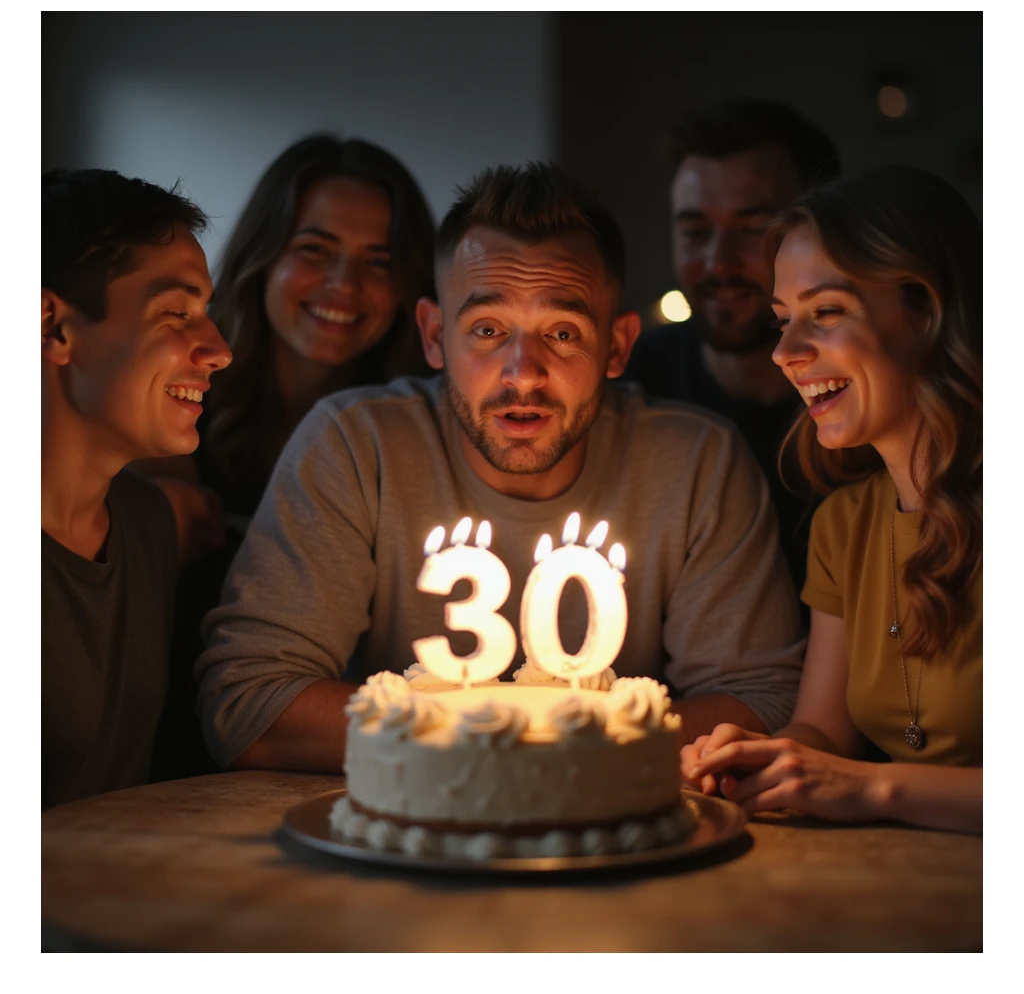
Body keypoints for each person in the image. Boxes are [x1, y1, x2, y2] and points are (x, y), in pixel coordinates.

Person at [195, 162, 805, 774]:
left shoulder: (697, 461)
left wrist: (500, 748)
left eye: (563, 333)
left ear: (617, 347)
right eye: (487, 329)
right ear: (434, 336)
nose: (523, 373)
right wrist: (535, 747)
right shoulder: (357, 444)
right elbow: (249, 706)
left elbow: (766, 701)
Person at [683, 166, 982, 835]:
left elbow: (860, 778)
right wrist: (763, 760)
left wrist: (874, 789)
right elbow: (825, 730)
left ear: (928, 313)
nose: (786, 352)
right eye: (783, 319)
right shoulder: (844, 525)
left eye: (826, 313)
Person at [140, 134, 438, 779]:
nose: (343, 285)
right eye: (314, 250)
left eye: (378, 262)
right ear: (263, 254)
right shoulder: (173, 408)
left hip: (357, 765)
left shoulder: (417, 439)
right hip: (172, 761)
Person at [42, 168, 232, 808]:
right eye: (176, 313)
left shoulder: (147, 522)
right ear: (53, 328)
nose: (217, 350)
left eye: (207, 312)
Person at [624, 99, 841, 596]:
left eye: (752, 229)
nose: (719, 261)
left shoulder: (864, 402)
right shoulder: (627, 391)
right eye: (695, 231)